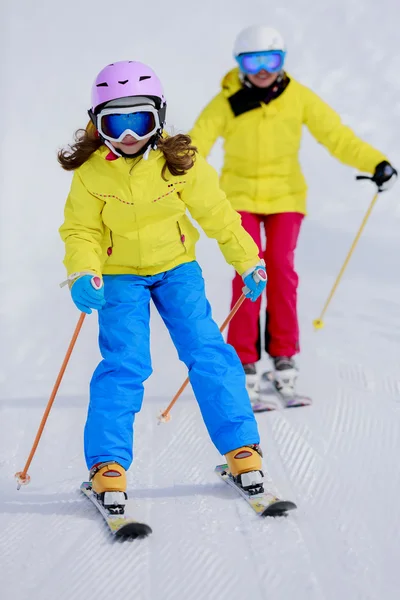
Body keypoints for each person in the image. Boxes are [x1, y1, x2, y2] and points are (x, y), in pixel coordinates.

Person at [58, 60, 268, 511]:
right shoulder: (92, 172)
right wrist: (82, 270)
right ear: (97, 123)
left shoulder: (180, 160)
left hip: (177, 269)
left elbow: (217, 213)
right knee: (125, 365)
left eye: (140, 121)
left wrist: (247, 260)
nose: (129, 135)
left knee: (207, 351)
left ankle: (242, 452)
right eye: (117, 122)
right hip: (118, 276)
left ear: (159, 117)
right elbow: (81, 231)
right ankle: (108, 467)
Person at [190, 25, 397, 406]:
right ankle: (244, 362)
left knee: (282, 271)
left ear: (282, 61)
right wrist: (174, 172)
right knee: (249, 272)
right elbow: (198, 141)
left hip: (286, 197)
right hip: (238, 196)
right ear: (240, 64)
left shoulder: (298, 97)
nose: (263, 69)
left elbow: (337, 135)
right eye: (253, 61)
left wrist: (376, 162)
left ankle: (284, 358)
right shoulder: (226, 100)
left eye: (271, 59)